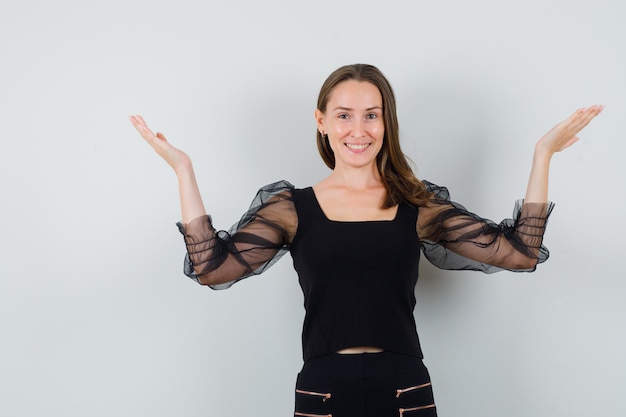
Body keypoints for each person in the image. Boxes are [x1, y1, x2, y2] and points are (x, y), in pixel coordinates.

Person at [130, 63, 603, 417]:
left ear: (386, 122)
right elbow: (212, 268)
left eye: (371, 115)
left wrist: (543, 155)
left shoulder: (417, 205)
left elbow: (520, 252)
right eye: (344, 115)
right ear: (321, 122)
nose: (358, 130)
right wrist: (183, 170)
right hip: (322, 388)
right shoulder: (290, 207)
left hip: (404, 390)